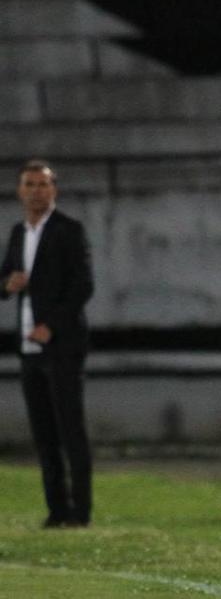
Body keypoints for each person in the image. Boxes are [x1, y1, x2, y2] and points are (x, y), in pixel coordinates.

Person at [1, 160, 95, 528]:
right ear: (20, 191)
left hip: (61, 345)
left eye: (43, 184)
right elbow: (6, 277)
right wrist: (7, 285)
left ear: (54, 189)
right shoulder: (17, 233)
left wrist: (50, 325)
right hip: (28, 347)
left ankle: (80, 511)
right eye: (30, 184)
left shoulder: (69, 231)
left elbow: (83, 286)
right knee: (44, 433)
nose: (36, 190)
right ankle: (56, 509)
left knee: (71, 430)